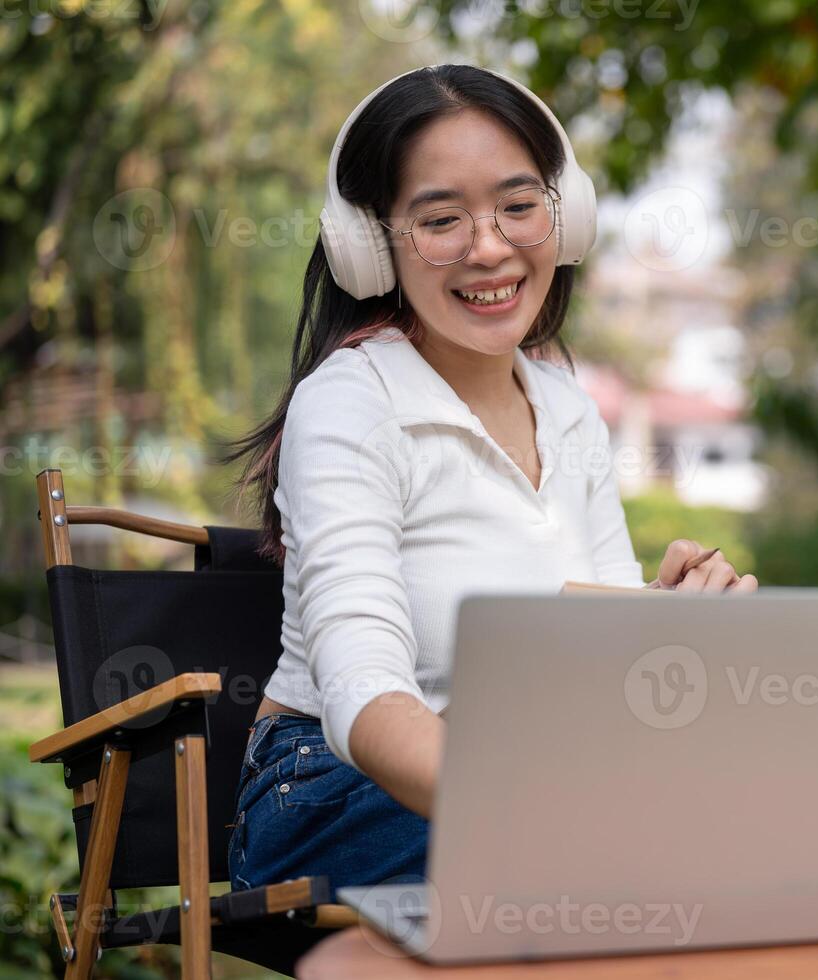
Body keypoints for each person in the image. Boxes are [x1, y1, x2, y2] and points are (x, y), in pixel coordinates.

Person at [221, 64, 757, 896]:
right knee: (644, 863)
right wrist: (546, 808)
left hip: (534, 762)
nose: (490, 246)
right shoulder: (351, 403)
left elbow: (602, 668)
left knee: (780, 840)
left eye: (517, 205)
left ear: (563, 215)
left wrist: (671, 619)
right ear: (371, 246)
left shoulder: (567, 408)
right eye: (440, 219)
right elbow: (365, 698)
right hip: (328, 791)